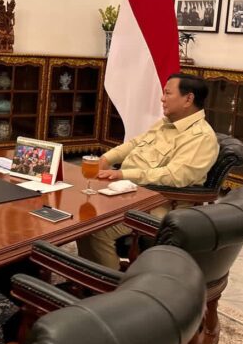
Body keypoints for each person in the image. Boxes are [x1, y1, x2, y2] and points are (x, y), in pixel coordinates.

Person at [76, 73, 219, 270]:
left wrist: (123, 175)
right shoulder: (166, 123)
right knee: (82, 216)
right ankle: (88, 278)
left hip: (160, 204)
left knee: (97, 229)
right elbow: (135, 143)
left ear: (188, 99)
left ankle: (112, 285)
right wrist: (107, 159)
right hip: (129, 192)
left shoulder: (201, 137)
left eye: (168, 93)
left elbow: (175, 176)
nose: (162, 98)